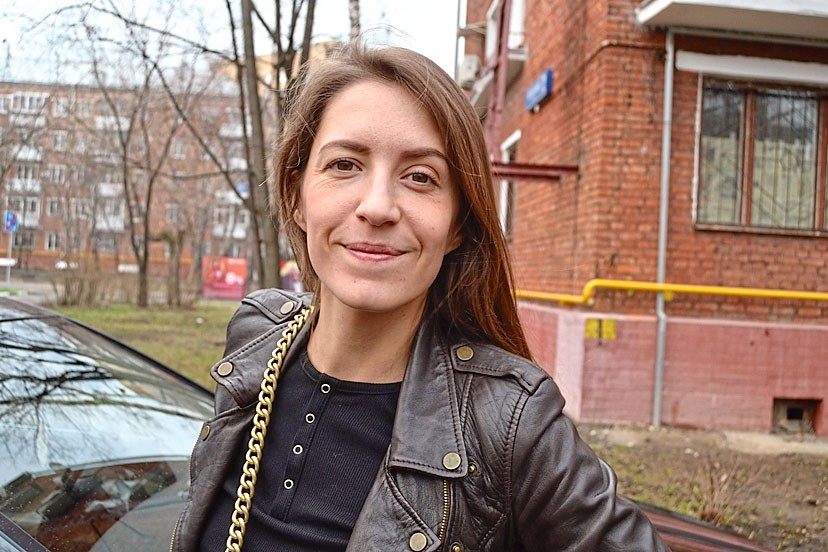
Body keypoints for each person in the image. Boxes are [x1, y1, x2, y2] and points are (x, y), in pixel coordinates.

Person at [172, 43, 669, 552]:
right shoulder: (257, 335)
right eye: (344, 164)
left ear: (456, 225)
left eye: (420, 177)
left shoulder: (509, 421)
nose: (378, 207)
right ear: (297, 197)